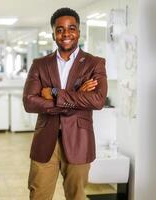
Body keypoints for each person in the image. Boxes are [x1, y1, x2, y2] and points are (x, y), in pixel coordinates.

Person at [23, 7, 108, 200]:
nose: (66, 34)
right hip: (45, 142)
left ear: (78, 31)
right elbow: (29, 102)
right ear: (53, 34)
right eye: (60, 30)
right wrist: (77, 97)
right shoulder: (40, 64)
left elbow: (97, 100)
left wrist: (54, 93)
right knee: (38, 195)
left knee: (76, 196)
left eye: (71, 28)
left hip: (79, 140)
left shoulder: (95, 63)